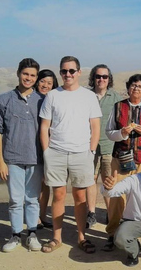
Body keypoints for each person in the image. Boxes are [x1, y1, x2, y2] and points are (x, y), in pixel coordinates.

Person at [39, 56, 101, 253]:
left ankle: (82, 237)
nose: (68, 74)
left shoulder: (89, 96)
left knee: (80, 196)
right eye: (64, 71)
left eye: (71, 71)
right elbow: (45, 126)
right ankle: (56, 237)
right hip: (56, 152)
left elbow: (95, 126)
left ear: (79, 72)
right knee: (57, 194)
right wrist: (46, 151)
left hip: (81, 153)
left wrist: (91, 151)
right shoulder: (53, 96)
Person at [103, 74, 141, 251]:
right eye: (133, 85)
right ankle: (112, 234)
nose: (136, 89)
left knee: (138, 199)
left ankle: (133, 235)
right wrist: (122, 133)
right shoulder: (118, 107)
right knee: (116, 197)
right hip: (121, 159)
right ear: (128, 88)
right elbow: (108, 132)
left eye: (140, 87)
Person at [0, 58, 44, 252]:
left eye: (32, 75)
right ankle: (15, 234)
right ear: (18, 73)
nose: (28, 78)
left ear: (36, 77)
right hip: (12, 158)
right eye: (25, 74)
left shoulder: (42, 100)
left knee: (32, 199)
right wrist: (0, 161)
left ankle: (31, 233)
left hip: (35, 158)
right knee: (15, 199)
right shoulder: (4, 99)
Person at [85, 64, 122, 229]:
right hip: (88, 146)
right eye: (98, 76)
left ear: (109, 79)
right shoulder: (85, 95)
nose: (101, 79)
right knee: (90, 180)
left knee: (108, 181)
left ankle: (111, 213)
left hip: (109, 146)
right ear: (93, 78)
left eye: (104, 77)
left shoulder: (116, 98)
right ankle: (91, 213)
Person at [35, 69, 58, 229]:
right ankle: (34, 217)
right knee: (34, 184)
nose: (45, 85)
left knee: (45, 183)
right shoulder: (33, 99)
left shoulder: (54, 99)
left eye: (49, 83)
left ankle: (42, 216)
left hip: (51, 146)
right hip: (33, 146)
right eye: (43, 81)